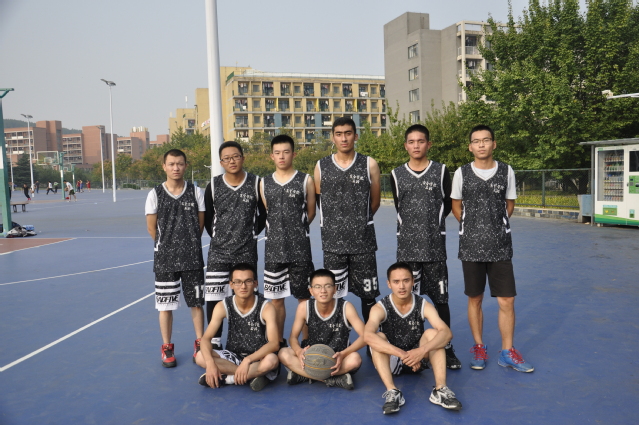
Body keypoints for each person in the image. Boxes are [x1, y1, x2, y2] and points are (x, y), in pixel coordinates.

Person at [451, 124, 534, 373]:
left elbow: (510, 204)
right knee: (475, 298)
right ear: (470, 147)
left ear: (494, 144)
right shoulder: (461, 173)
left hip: (500, 246)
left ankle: (507, 352)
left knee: (507, 299)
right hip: (471, 247)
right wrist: (472, 227)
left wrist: (495, 226)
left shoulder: (506, 171)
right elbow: (456, 206)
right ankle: (479, 347)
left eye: (486, 140)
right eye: (476, 141)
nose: (481, 144)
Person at [390, 124, 461, 370]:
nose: (416, 145)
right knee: (408, 299)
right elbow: (399, 205)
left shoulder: (440, 171)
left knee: (440, 300)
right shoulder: (396, 174)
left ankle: (446, 347)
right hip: (407, 249)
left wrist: (431, 225)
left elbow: (447, 204)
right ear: (405, 146)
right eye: (411, 141)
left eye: (421, 141)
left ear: (428, 144)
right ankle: (413, 347)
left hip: (434, 248)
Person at [365, 262, 462, 415]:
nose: (401, 286)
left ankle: (440, 390)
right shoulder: (380, 307)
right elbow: (367, 336)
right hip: (394, 361)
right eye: (396, 282)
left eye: (406, 280)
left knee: (433, 333)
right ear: (389, 284)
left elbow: (446, 333)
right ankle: (392, 391)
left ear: (413, 281)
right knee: (377, 337)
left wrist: (421, 351)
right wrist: (403, 355)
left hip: (419, 359)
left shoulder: (423, 304)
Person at [314, 117, 381, 325]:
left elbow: (375, 201)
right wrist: (336, 223)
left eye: (348, 133)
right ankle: (337, 338)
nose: (344, 138)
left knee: (368, 296)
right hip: (333, 244)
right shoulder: (321, 166)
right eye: (339, 134)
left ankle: (370, 337)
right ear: (333, 137)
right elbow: (320, 201)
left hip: (363, 243)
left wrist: (358, 221)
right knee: (332, 297)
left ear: (356, 136)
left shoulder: (369, 164)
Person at [145, 148, 206, 368]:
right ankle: (167, 346)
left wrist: (188, 244)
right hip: (165, 260)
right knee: (165, 306)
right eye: (171, 164)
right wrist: (169, 247)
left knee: (196, 303)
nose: (176, 168)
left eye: (180, 163)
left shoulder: (196, 192)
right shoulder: (155, 194)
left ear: (185, 166)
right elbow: (152, 228)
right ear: (164, 166)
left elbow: (200, 225)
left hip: (192, 259)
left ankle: (200, 343)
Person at [204, 141, 266, 348]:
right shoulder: (213, 185)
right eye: (227, 158)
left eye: (236, 156)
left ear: (242, 158)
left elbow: (264, 214)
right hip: (218, 252)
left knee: (247, 297)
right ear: (221, 162)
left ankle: (251, 340)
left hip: (246, 251)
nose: (232, 161)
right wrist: (219, 237)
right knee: (214, 296)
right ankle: (214, 341)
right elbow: (208, 217)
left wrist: (251, 233)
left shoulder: (256, 183)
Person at [259, 134, 315, 347]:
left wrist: (296, 231)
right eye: (277, 153)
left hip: (300, 250)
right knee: (276, 300)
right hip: (274, 250)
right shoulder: (264, 183)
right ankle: (278, 341)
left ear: (293, 154)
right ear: (271, 156)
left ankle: (307, 340)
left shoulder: (305, 180)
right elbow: (267, 211)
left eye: (286, 152)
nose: (281, 156)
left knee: (304, 298)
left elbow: (310, 213)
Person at [195, 263, 279, 392]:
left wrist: (248, 360)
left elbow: (274, 343)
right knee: (200, 356)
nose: (243, 286)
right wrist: (210, 364)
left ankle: (228, 379)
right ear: (231, 284)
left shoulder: (266, 307)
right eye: (238, 282)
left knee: (271, 361)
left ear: (255, 283)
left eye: (248, 281)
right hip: (233, 357)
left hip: (258, 357)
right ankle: (254, 375)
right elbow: (206, 339)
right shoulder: (223, 306)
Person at [279, 269, 365, 389]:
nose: (323, 291)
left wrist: (343, 354)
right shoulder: (304, 307)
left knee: (355, 359)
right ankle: (333, 379)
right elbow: (293, 337)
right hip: (311, 358)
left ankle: (304, 375)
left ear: (335, 289)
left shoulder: (346, 307)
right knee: (283, 353)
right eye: (317, 287)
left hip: (336, 359)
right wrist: (298, 351)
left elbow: (365, 336)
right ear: (311, 291)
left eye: (328, 286)